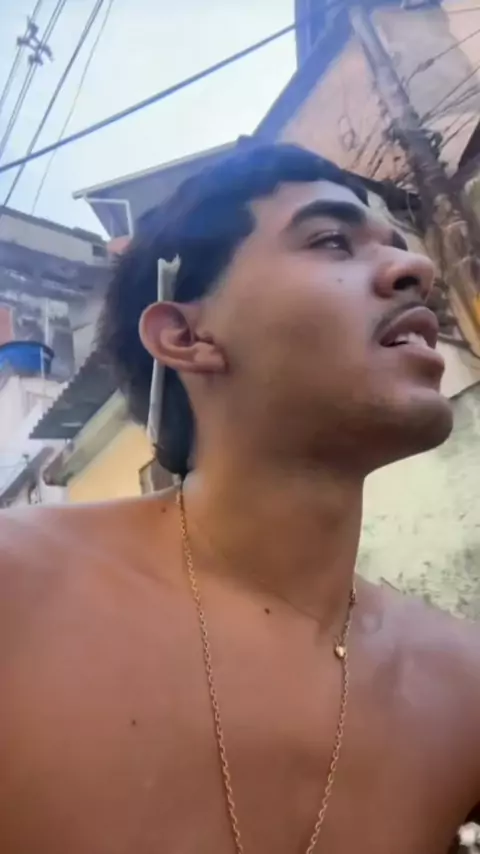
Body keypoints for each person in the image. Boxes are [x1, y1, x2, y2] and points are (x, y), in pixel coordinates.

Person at [0, 142, 478, 854]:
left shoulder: (461, 682)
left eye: (400, 245)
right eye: (332, 241)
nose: (417, 270)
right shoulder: (20, 597)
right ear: (187, 335)